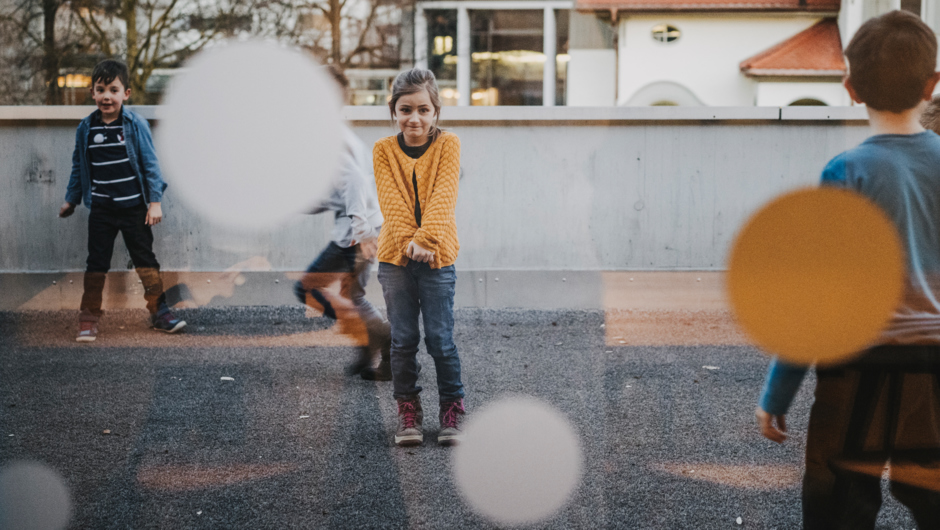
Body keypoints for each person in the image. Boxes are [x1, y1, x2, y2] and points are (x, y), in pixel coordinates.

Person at [755, 11, 940, 529]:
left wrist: (778, 391)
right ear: (933, 84)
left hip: (855, 368)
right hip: (933, 369)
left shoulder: (845, 172)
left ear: (850, 87)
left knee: (838, 499)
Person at [59, 59, 184, 342]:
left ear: (126, 93)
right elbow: (79, 166)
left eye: (113, 90)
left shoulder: (135, 125)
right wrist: (71, 199)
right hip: (101, 210)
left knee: (146, 262)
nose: (106, 96)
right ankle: (89, 317)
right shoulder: (86, 128)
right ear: (92, 93)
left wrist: (155, 202)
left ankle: (159, 312)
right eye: (101, 90)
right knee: (96, 264)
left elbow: (150, 164)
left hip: (134, 210)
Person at [373, 68, 466, 447]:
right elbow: (390, 203)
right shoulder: (382, 150)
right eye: (406, 109)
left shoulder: (449, 145)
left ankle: (452, 408)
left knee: (441, 339)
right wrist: (412, 243)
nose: (415, 118)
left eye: (423, 110)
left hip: (438, 258)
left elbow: (444, 197)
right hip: (395, 260)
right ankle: (408, 409)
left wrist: (426, 240)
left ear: (436, 113)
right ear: (393, 110)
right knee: (403, 339)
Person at [293, 66, 392, 380]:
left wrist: (362, 233)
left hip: (357, 233)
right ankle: (378, 353)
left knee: (307, 289)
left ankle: (381, 336)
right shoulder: (339, 133)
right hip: (367, 227)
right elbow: (337, 192)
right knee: (354, 296)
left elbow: (355, 183)